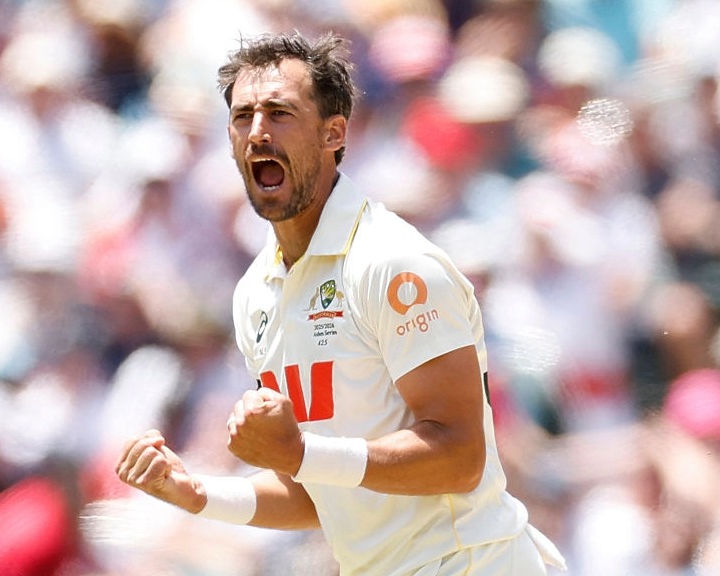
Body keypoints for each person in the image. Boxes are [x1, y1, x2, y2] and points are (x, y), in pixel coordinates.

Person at [115, 31, 566, 575]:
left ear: (334, 133)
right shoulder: (257, 290)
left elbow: (460, 458)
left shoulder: (394, 263)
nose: (257, 132)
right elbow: (319, 493)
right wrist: (197, 494)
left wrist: (300, 454)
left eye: (280, 113)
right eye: (243, 116)